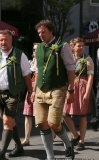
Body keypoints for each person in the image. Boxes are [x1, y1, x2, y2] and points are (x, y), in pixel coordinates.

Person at [0, 29, 33, 160]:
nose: (3, 42)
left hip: (13, 93)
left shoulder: (20, 55)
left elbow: (27, 75)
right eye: (0, 40)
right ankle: (19, 147)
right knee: (10, 122)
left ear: (11, 40)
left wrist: (31, 92)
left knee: (7, 122)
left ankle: (1, 153)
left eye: (5, 40)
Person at [31, 20, 75, 159]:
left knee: (53, 123)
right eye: (39, 32)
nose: (41, 35)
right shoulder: (38, 48)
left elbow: (71, 69)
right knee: (42, 124)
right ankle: (50, 157)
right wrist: (33, 91)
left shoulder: (63, 46)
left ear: (51, 31)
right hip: (40, 89)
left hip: (58, 88)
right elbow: (37, 70)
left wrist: (71, 90)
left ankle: (68, 144)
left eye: (43, 31)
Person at [63, 37, 94, 151]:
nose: (81, 48)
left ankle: (82, 141)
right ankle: (75, 135)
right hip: (71, 86)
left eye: (82, 45)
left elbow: (91, 77)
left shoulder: (88, 59)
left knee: (82, 115)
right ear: (72, 47)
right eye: (79, 45)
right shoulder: (68, 58)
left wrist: (87, 92)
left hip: (82, 86)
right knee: (64, 113)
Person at [21, 42, 39, 146]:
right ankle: (26, 138)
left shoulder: (43, 62)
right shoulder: (30, 62)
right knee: (27, 114)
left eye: (37, 49)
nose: (35, 51)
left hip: (40, 89)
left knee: (42, 116)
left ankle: (51, 135)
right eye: (34, 49)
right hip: (30, 89)